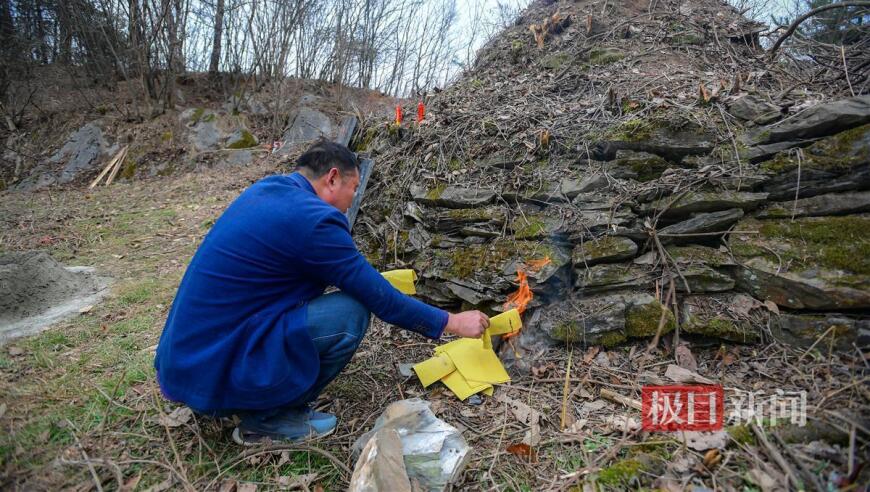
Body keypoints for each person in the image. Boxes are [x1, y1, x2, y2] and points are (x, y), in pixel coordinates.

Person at [154, 140, 489, 445]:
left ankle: (249, 397)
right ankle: (269, 419)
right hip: (214, 366)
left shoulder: (269, 190)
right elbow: (381, 300)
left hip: (185, 362)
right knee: (351, 311)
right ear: (332, 178)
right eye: (354, 188)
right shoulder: (314, 221)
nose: (352, 199)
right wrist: (454, 322)